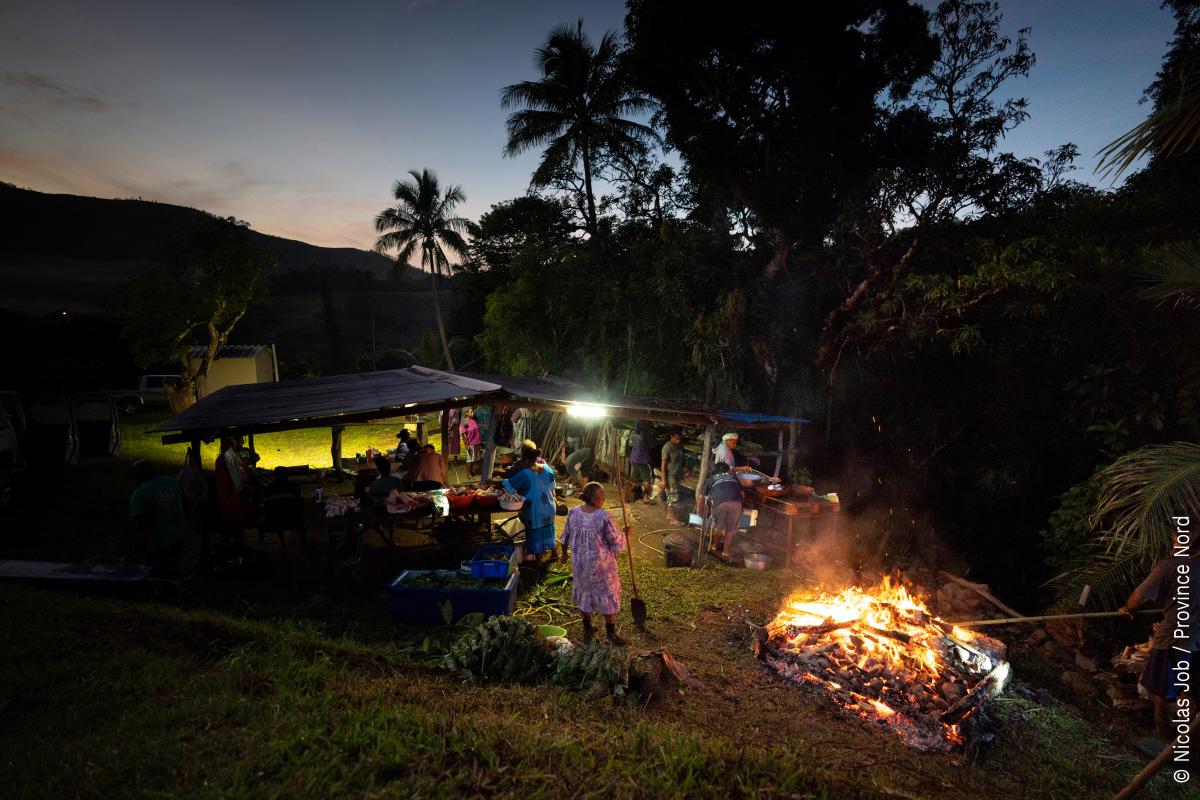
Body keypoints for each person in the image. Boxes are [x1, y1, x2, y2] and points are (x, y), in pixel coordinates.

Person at [1118, 539, 1199, 752]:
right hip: (1195, 641)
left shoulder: (1170, 566)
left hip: (1174, 639)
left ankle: (1166, 744)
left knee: (1161, 692)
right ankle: (1189, 744)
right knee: (1190, 692)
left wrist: (1127, 608)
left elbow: (1137, 598)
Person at [560, 481, 627, 645]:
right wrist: (626, 534)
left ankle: (587, 626)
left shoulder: (574, 513)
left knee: (584, 593)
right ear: (595, 499)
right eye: (602, 497)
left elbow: (565, 535)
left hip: (581, 566)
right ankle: (610, 635)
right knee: (608, 596)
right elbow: (616, 542)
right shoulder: (604, 517)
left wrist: (563, 554)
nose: (604, 500)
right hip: (601, 568)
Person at [502, 440, 559, 561]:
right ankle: (554, 553)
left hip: (535, 508)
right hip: (549, 506)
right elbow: (552, 484)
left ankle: (538, 560)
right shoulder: (546, 468)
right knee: (549, 528)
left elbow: (509, 484)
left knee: (535, 532)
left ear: (524, 458)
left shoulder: (525, 473)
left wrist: (501, 482)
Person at [129, 460, 188, 576]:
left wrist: (137, 547)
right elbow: (184, 502)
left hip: (156, 543)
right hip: (177, 535)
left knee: (156, 577)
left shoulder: (139, 494)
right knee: (172, 569)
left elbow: (141, 523)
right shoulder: (171, 481)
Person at [698, 462, 744, 563]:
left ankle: (714, 546)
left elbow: (701, 497)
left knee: (718, 527)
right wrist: (742, 508)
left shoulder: (712, 478)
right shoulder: (733, 476)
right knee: (731, 529)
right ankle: (726, 552)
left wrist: (699, 512)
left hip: (720, 504)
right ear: (727, 470)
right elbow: (742, 494)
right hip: (736, 504)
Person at [214, 435, 257, 543]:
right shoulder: (231, 457)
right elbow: (240, 475)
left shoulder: (219, 459)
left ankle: (229, 542)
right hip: (233, 495)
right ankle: (238, 544)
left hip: (223, 494)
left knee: (227, 520)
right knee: (236, 521)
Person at [660, 429, 685, 524]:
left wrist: (683, 472)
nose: (678, 441)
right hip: (670, 475)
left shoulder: (679, 446)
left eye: (679, 439)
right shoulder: (667, 447)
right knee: (673, 497)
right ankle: (672, 518)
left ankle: (670, 515)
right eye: (676, 439)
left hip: (677, 474)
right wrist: (663, 480)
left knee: (675, 496)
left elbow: (680, 461)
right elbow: (663, 465)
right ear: (672, 437)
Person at [628, 423, 654, 502]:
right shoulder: (645, 435)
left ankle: (632, 497)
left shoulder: (633, 433)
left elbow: (630, 444)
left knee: (635, 478)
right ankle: (646, 497)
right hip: (642, 460)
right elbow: (652, 445)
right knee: (647, 479)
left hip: (633, 458)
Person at [460, 409, 482, 477]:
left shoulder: (474, 421)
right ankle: (468, 473)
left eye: (473, 411)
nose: (473, 412)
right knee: (469, 458)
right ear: (466, 413)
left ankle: (472, 471)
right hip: (470, 443)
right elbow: (463, 434)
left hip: (477, 442)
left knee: (474, 458)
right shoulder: (464, 422)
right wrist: (466, 444)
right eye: (471, 412)